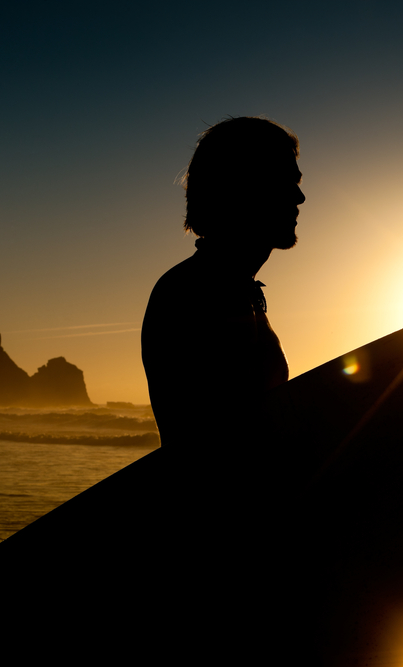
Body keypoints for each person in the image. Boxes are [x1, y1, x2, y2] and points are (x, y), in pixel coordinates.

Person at [141, 116, 305, 450]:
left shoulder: (232, 287)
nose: (299, 197)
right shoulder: (198, 292)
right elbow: (227, 443)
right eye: (285, 181)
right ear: (242, 188)